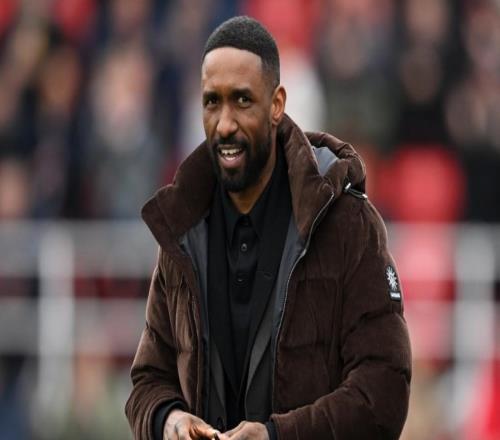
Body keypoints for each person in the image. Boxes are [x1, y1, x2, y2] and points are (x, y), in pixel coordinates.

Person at [125, 16, 411, 440]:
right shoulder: (181, 227)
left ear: (277, 104)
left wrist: (277, 435)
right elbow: (149, 380)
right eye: (212, 102)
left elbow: (384, 389)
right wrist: (170, 421)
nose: (224, 124)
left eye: (242, 100)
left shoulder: (347, 223)